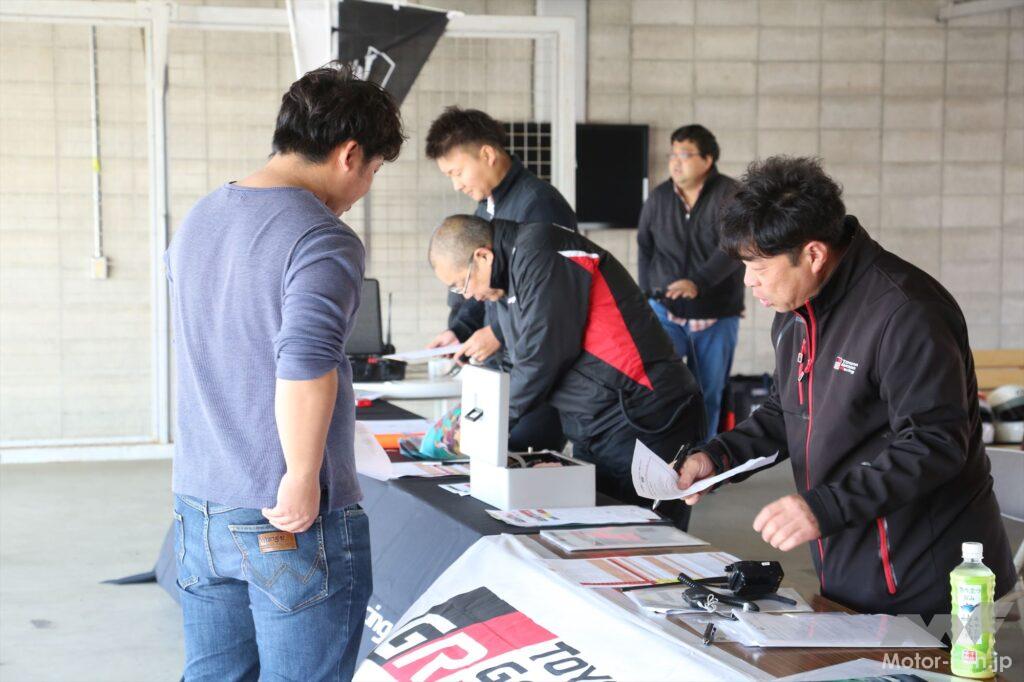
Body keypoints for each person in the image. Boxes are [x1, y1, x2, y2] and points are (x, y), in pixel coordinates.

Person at [675, 156, 1016, 617]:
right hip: (850, 567)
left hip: (930, 582)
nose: (747, 282)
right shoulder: (797, 312)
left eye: (758, 266)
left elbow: (935, 442)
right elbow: (784, 413)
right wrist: (716, 458)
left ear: (813, 254)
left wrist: (824, 507)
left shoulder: (906, 312)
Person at [164, 65, 404, 679]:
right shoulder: (322, 236)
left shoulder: (200, 219)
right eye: (374, 171)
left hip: (200, 502)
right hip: (285, 514)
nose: (364, 187)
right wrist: (301, 475)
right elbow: (305, 365)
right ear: (350, 154)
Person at [429, 215, 705, 530]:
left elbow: (542, 358)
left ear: (483, 256)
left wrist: (489, 424)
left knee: (644, 540)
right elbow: (515, 361)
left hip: (643, 415)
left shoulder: (540, 253)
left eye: (461, 284)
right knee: (601, 539)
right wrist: (472, 416)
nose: (465, 296)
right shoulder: (502, 285)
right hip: (596, 421)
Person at [425, 106, 577, 452]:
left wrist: (497, 333)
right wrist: (459, 331)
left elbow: (549, 305)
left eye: (458, 171)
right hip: (509, 368)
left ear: (487, 154)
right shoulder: (487, 208)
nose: (456, 184)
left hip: (538, 378)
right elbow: (482, 286)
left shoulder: (539, 207)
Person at [638, 125, 743, 437]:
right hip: (664, 311)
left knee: (707, 394)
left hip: (716, 314)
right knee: (657, 390)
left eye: (685, 154)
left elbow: (734, 247)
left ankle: (701, 466)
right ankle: (663, 461)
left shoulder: (731, 195)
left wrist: (698, 282)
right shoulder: (658, 197)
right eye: (673, 154)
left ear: (707, 159)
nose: (675, 162)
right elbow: (645, 246)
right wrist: (646, 294)